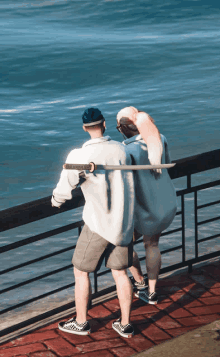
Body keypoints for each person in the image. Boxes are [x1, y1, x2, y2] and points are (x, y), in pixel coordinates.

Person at [51, 108, 135, 338]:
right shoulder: (121, 150)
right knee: (120, 272)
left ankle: (81, 323)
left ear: (84, 128)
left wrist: (56, 201)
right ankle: (125, 324)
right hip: (123, 222)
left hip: (98, 224)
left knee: (80, 272)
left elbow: (64, 189)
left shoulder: (78, 156)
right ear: (105, 124)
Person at [116, 106, 177, 304]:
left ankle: (140, 282)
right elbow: (167, 164)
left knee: (124, 243)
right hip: (164, 202)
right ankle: (151, 292)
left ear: (124, 128)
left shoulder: (127, 151)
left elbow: (123, 183)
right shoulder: (161, 139)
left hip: (144, 207)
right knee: (152, 244)